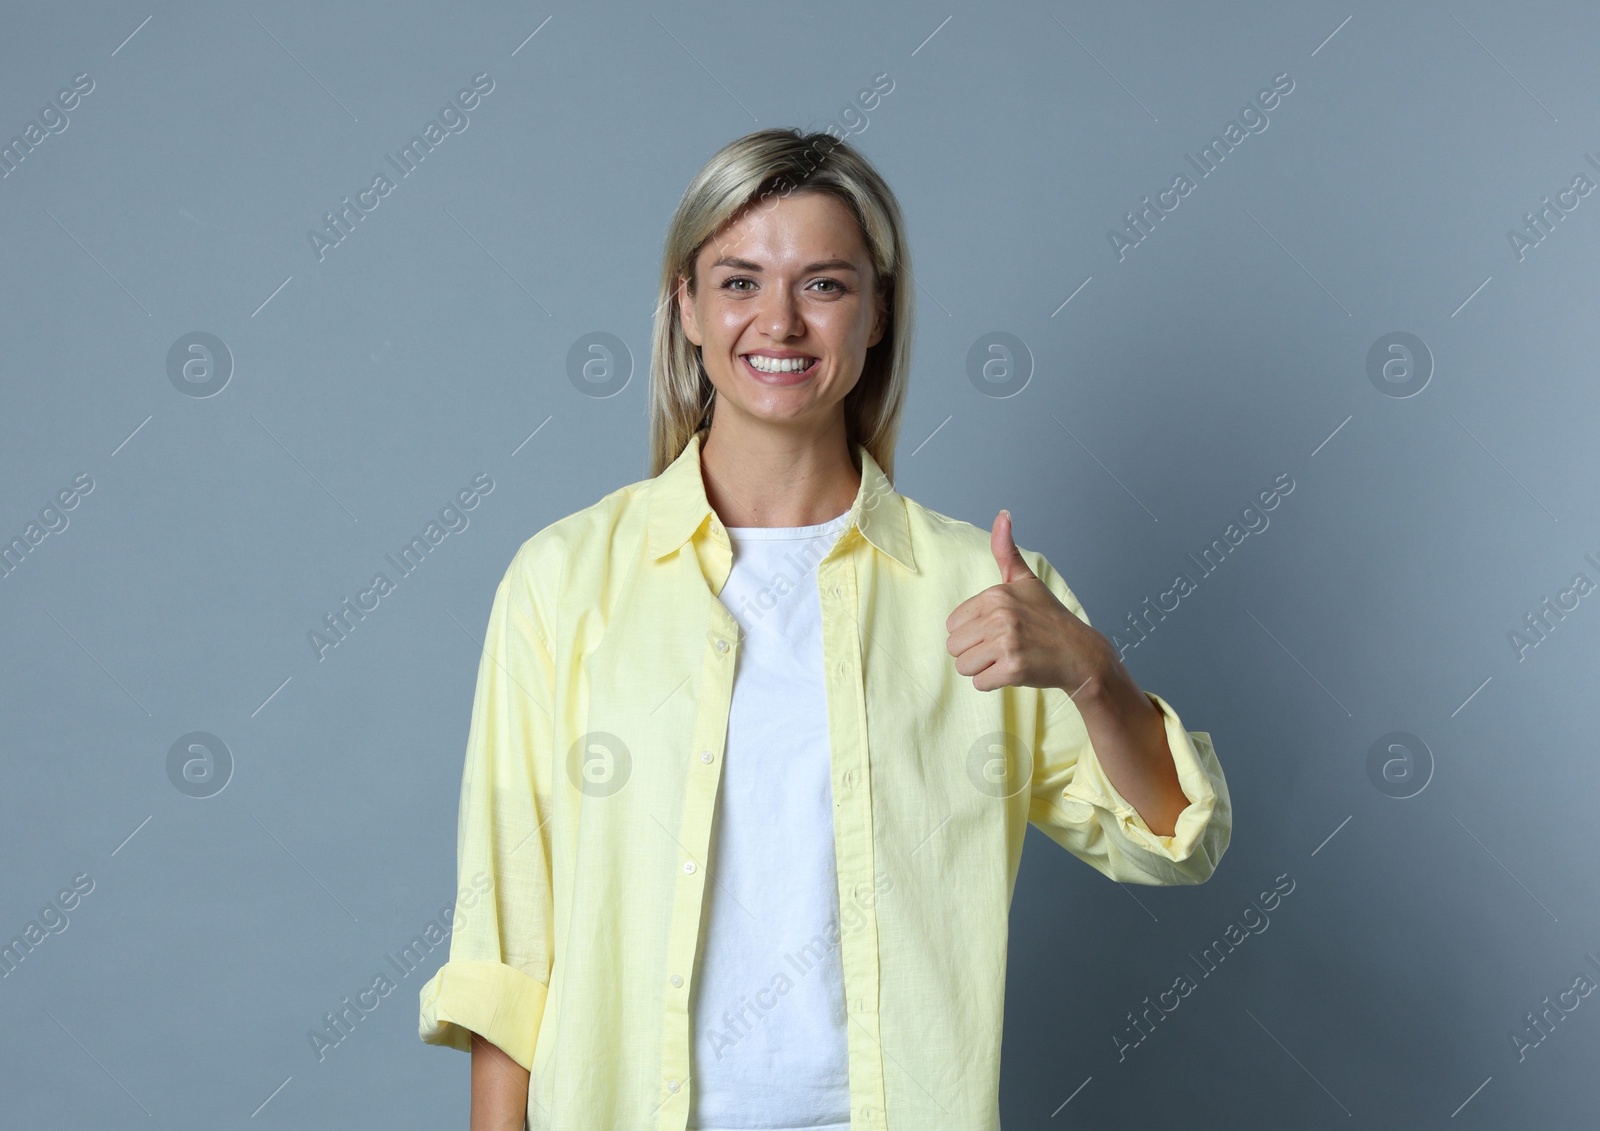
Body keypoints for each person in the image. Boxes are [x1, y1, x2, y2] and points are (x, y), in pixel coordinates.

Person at [418, 127, 1231, 1131]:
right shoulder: (564, 579)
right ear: (685, 305)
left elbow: (1171, 844)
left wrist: (1093, 675)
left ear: (879, 310)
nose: (779, 322)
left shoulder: (980, 587)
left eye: (825, 285)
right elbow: (509, 934)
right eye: (739, 281)